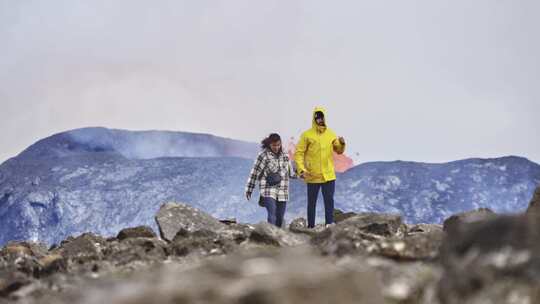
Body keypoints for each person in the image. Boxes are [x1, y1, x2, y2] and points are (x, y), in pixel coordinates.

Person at [294, 107, 346, 228]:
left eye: (321, 117)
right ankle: (311, 227)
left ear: (324, 117)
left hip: (328, 175)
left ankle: (329, 225)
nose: (319, 119)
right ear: (314, 118)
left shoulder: (331, 134)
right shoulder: (307, 135)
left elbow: (339, 151)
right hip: (312, 175)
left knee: (329, 201)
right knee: (311, 203)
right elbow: (299, 153)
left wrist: (342, 144)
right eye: (317, 117)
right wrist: (301, 169)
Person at [245, 133, 295, 227]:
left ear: (281, 144)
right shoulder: (263, 155)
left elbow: (290, 173)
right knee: (272, 214)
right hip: (268, 189)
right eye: (273, 145)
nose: (276, 147)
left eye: (278, 145)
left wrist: (302, 175)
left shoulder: (285, 156)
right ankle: (270, 236)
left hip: (282, 190)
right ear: (269, 144)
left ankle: (278, 238)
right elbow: (254, 173)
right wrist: (249, 189)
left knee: (280, 217)